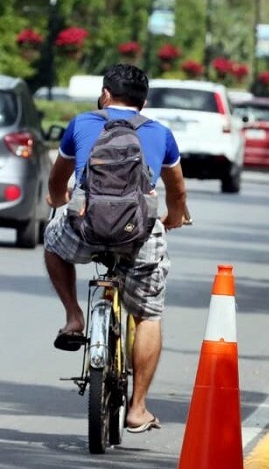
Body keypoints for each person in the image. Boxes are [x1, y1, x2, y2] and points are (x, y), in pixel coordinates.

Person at [44, 63, 187, 434]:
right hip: (138, 235)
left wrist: (58, 200)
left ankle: (74, 316)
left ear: (105, 94)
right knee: (149, 316)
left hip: (87, 229)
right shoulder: (161, 134)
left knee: (53, 243)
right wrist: (174, 216)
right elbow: (177, 190)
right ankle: (137, 409)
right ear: (144, 101)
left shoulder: (81, 123)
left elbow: (58, 178)